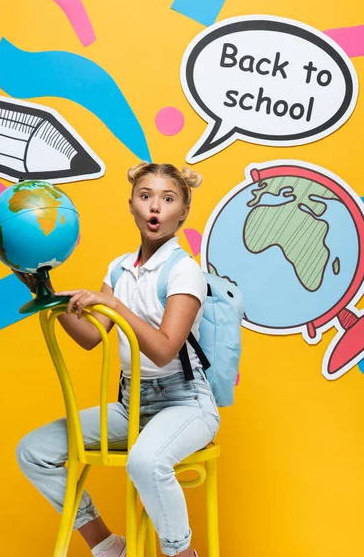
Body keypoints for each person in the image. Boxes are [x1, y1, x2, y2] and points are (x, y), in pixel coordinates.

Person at [15, 163, 220, 557]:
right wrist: (49, 294)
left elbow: (163, 348)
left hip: (185, 404)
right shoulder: (120, 268)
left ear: (184, 211)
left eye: (168, 198)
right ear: (131, 206)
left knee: (145, 462)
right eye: (145, 197)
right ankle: (109, 547)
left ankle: (181, 554)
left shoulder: (185, 271)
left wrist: (115, 304)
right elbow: (92, 338)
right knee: (33, 451)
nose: (155, 207)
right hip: (132, 406)